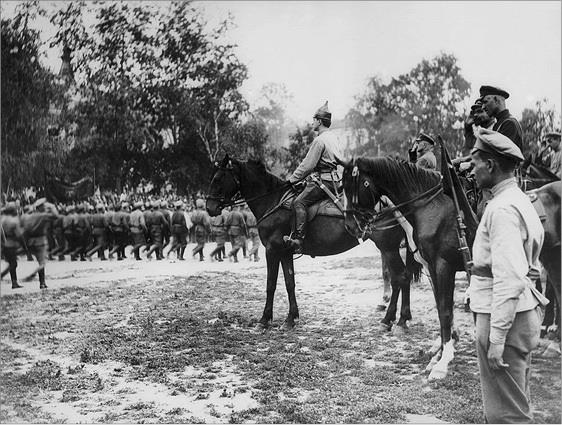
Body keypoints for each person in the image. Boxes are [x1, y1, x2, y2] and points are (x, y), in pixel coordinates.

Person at [468, 127, 546, 423]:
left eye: (475, 164)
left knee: (506, 416)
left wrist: (497, 338)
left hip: (504, 321)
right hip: (520, 313)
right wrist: (485, 269)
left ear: (490, 164)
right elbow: (527, 266)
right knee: (513, 407)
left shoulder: (501, 209)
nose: (472, 171)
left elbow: (511, 278)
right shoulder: (520, 199)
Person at [283, 101, 345, 254]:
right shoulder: (334, 138)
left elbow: (307, 166)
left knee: (299, 202)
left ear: (319, 121)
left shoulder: (319, 140)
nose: (312, 122)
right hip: (335, 181)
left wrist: (291, 180)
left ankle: (298, 239)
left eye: (313, 119)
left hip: (324, 182)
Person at [22, 198, 59, 289]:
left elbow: (24, 230)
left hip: (31, 241)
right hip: (41, 241)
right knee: (42, 263)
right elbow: (56, 216)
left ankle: (42, 282)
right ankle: (39, 279)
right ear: (41, 207)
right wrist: (52, 206)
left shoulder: (28, 217)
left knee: (40, 262)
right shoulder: (43, 216)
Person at [479, 85, 524, 152]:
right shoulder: (500, 123)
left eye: (485, 102)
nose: (483, 107)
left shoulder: (509, 124)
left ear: (496, 100)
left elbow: (501, 157)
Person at [1, 202, 26, 289]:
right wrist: (24, 246)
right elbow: (19, 235)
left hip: (3, 244)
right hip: (11, 244)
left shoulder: (2, 219)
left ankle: (14, 282)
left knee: (12, 263)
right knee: (13, 264)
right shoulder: (13, 221)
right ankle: (12, 281)